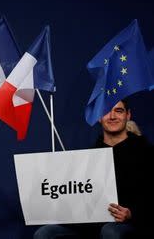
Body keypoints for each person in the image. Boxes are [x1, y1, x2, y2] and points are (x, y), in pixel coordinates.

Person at [34, 99, 153, 239]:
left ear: (128, 115)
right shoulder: (88, 157)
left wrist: (131, 213)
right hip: (91, 226)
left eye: (118, 111)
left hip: (131, 224)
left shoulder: (145, 151)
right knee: (45, 233)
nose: (112, 116)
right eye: (106, 111)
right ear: (98, 117)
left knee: (111, 231)